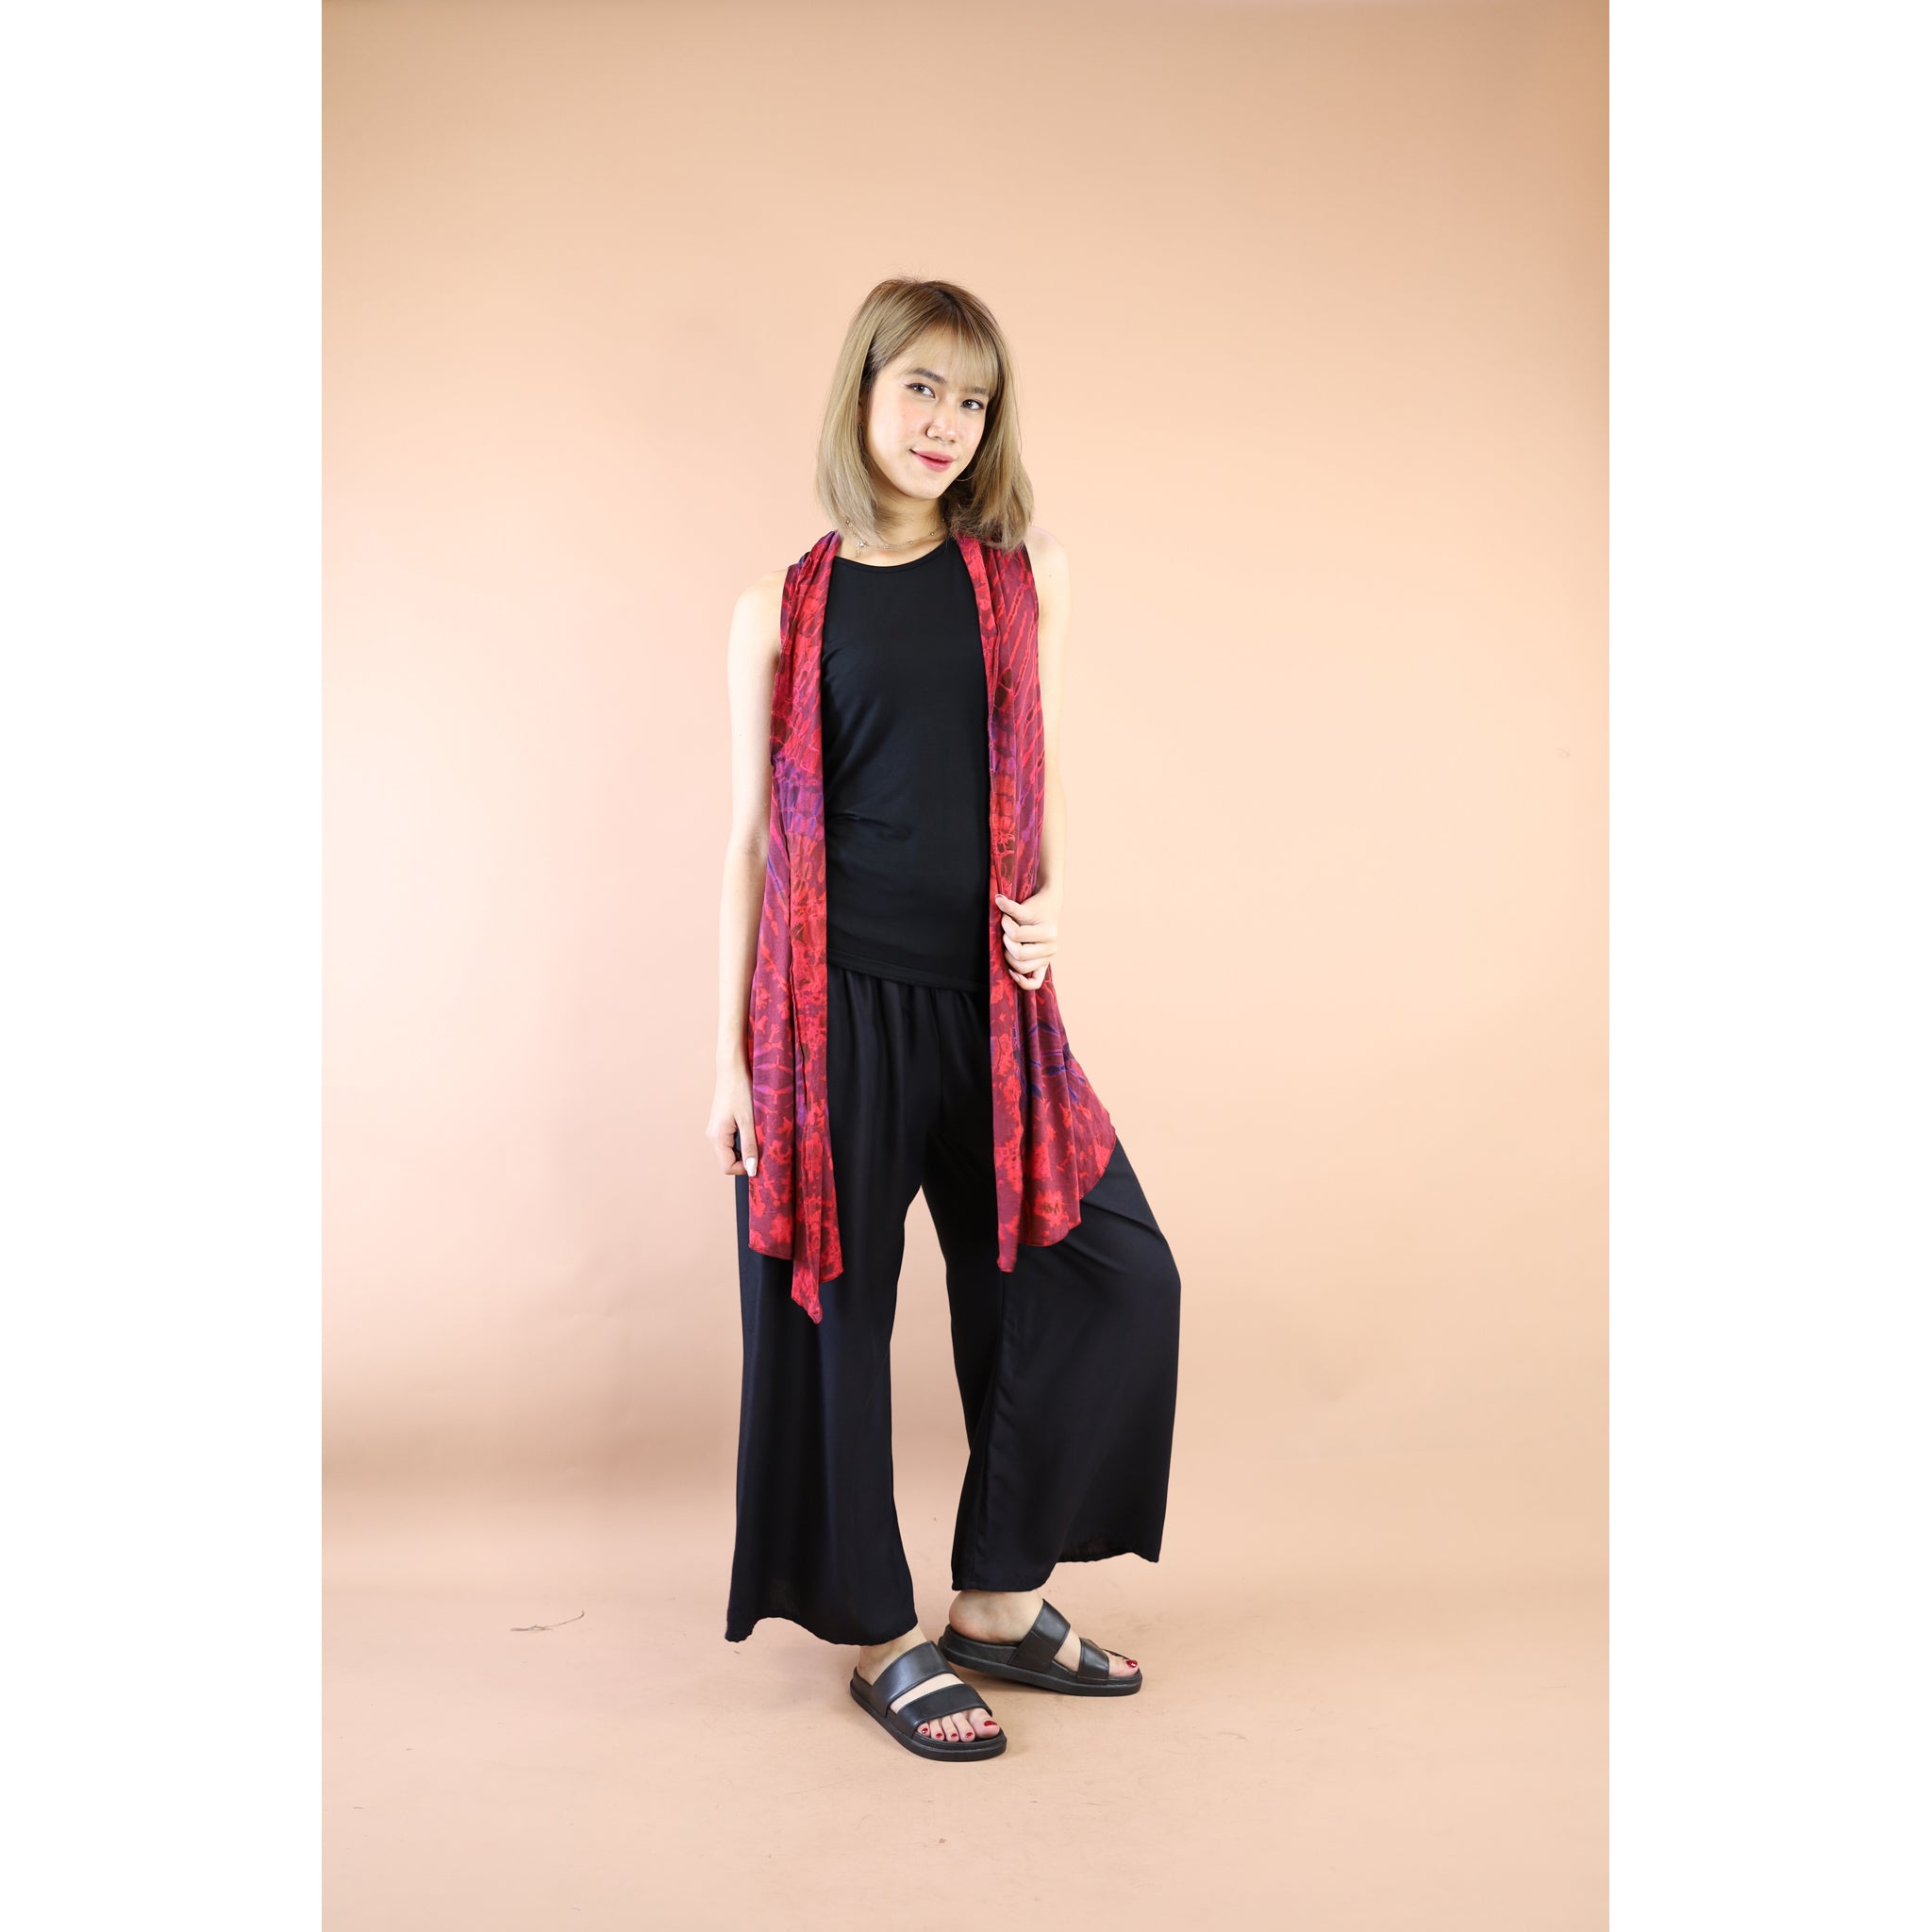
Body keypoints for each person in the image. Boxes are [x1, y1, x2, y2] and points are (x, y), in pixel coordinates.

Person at [707, 277, 1182, 1762]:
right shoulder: (782, 607)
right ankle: (875, 1634)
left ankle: (996, 1601)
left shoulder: (1021, 577)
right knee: (836, 1322)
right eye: (920, 386)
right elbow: (751, 841)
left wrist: (1052, 900)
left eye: (972, 400)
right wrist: (727, 1065)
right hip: (828, 1018)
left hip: (993, 1013)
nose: (945, 422)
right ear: (862, 390)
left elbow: (1034, 766)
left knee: (1105, 1273)